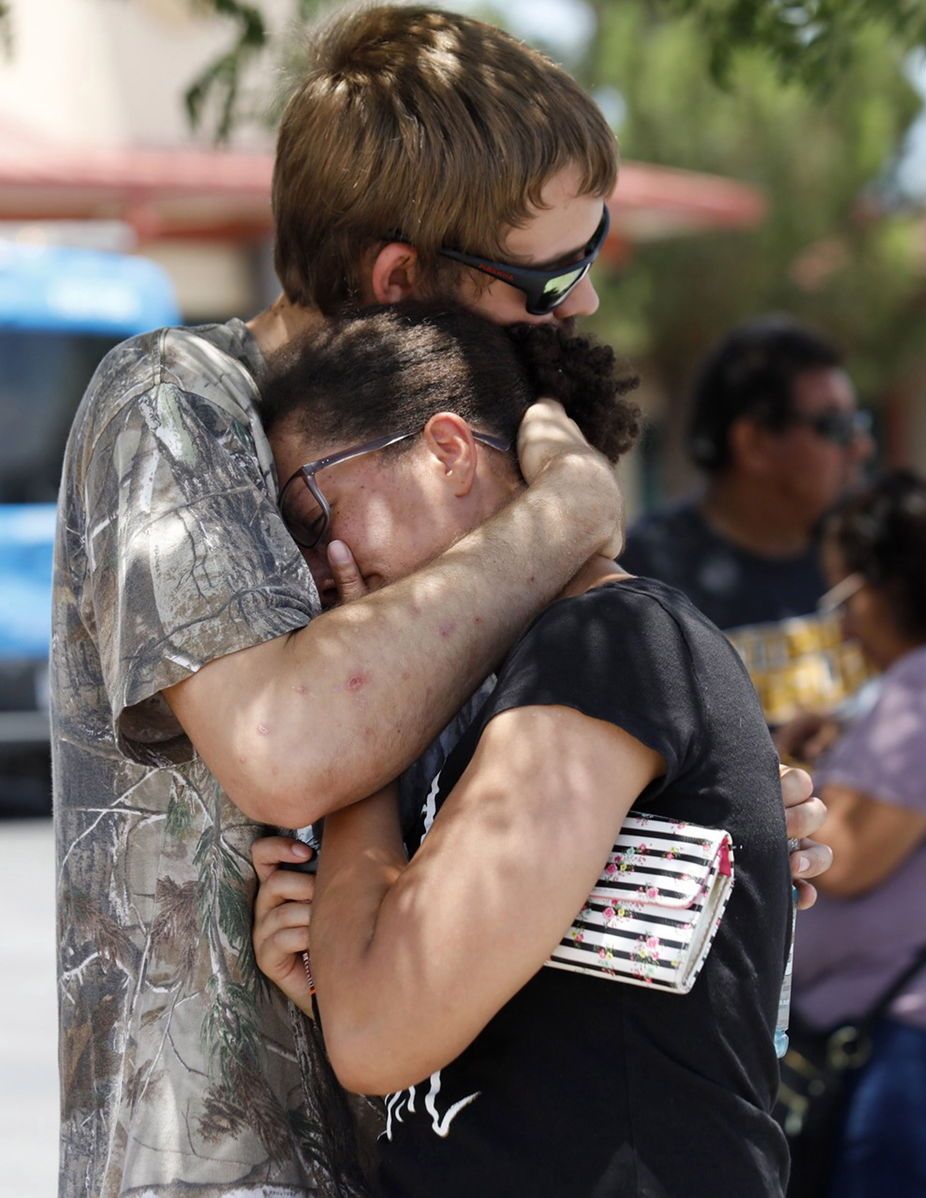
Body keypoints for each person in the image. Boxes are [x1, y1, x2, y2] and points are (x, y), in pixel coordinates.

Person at [51, 7, 827, 1196]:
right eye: (548, 274)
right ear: (401, 279)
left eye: (591, 251)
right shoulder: (179, 399)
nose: (581, 304)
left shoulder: (458, 520)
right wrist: (565, 514)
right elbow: (286, 747)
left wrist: (707, 828)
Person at [252, 303, 794, 1197]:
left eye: (314, 516)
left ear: (447, 451)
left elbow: (378, 1035)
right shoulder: (502, 689)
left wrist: (355, 728)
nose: (313, 569)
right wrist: (338, 960)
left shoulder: (610, 644)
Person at [777, 471, 926, 1197]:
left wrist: (782, 769)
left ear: (889, 585)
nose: (845, 629)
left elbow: (845, 857)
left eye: (842, 600)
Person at [620, 315, 875, 727]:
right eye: (837, 427)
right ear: (754, 443)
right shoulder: (644, 581)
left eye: (859, 423)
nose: (862, 447)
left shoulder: (871, 554)